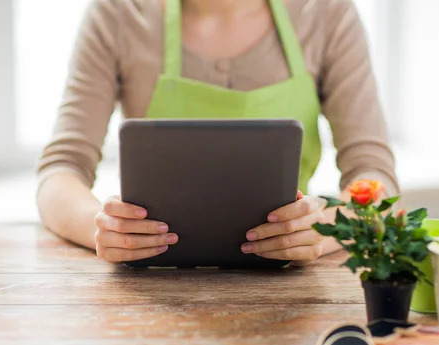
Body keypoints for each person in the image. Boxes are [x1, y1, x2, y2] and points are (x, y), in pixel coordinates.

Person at [37, 0, 400, 266]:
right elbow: (61, 170)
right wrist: (103, 228)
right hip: (154, 293)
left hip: (285, 287)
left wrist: (325, 228)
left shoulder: (327, 12)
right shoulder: (118, 13)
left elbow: (376, 177)